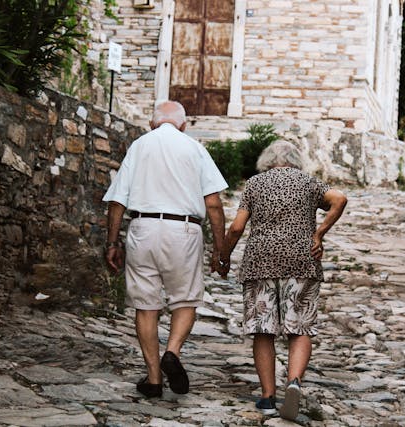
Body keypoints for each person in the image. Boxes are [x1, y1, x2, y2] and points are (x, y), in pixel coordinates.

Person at [102, 100, 228, 398]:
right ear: (184, 125)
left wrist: (111, 242)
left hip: (143, 229)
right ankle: (172, 352)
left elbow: (118, 200)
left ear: (151, 123)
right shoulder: (194, 148)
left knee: (146, 305)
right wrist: (220, 250)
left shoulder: (139, 146)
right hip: (184, 230)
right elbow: (213, 203)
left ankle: (154, 379)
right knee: (184, 300)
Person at [217, 140, 347, 420]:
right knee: (299, 327)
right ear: (295, 160)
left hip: (261, 262)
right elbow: (340, 199)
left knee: (263, 330)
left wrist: (224, 257)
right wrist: (319, 234)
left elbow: (237, 227)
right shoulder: (309, 182)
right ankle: (294, 382)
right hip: (301, 260)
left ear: (266, 161)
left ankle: (267, 397)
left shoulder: (254, 184)